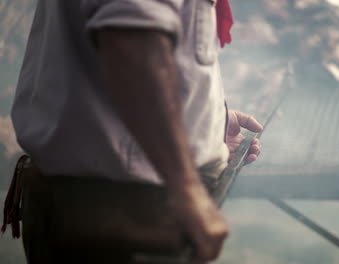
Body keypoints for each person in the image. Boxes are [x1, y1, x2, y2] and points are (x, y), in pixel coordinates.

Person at [2, 0, 263, 263]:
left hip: (115, 202)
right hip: (121, 211)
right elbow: (132, 46)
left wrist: (208, 127)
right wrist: (186, 190)